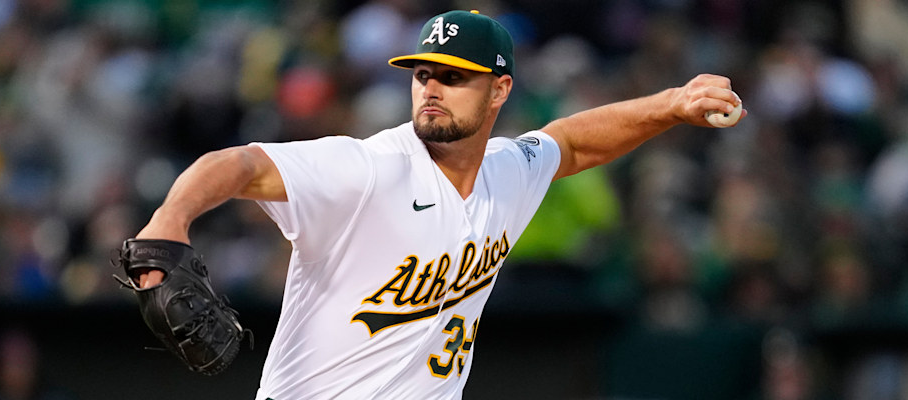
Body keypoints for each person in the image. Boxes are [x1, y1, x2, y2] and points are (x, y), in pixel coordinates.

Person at [128, 9, 745, 399]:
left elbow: (574, 143)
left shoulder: (508, 172)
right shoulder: (370, 168)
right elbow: (241, 164)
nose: (431, 89)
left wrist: (671, 104)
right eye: (423, 74)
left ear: (500, 89)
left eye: (454, 77)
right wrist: (168, 221)